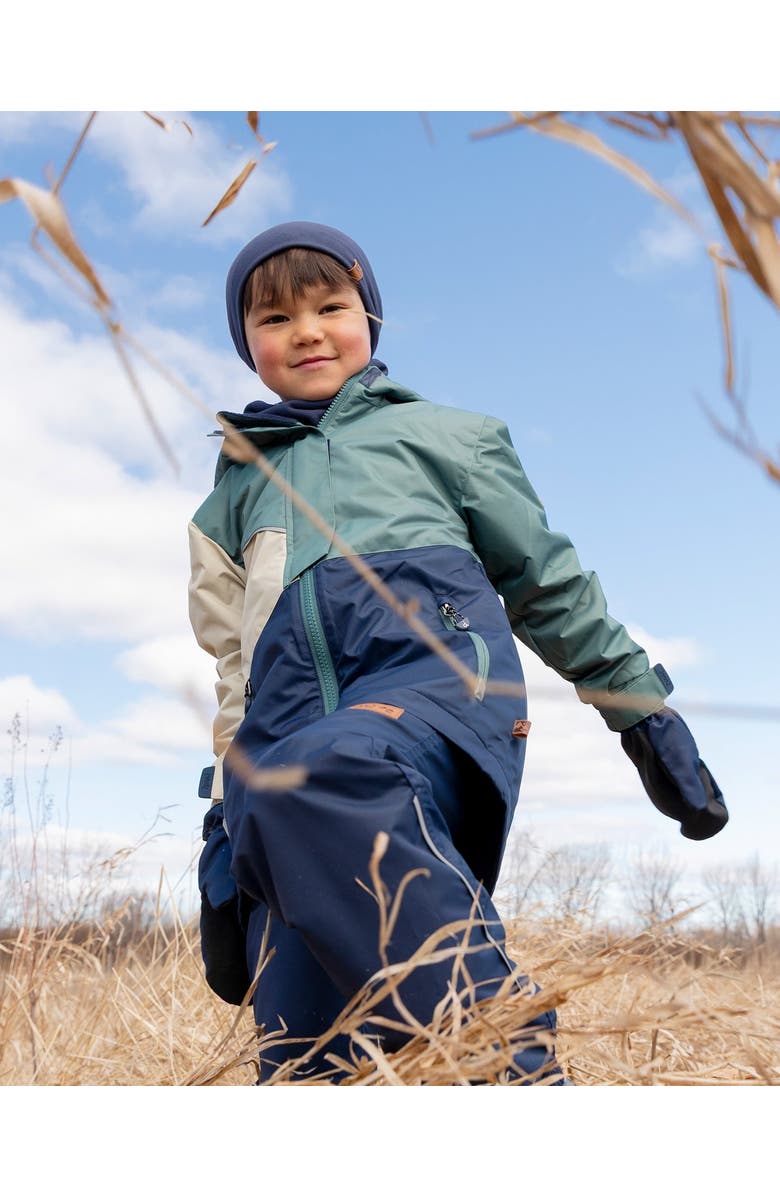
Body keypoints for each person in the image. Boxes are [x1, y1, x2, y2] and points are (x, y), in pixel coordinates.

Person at [189, 221, 728, 1085]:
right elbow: (232, 669)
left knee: (333, 772)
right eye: (276, 319)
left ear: (370, 319)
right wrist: (224, 816)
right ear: (246, 344)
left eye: (332, 306)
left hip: (433, 694)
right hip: (287, 756)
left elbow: (547, 583)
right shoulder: (230, 497)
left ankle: (505, 1057)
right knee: (306, 1051)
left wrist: (639, 710)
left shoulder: (447, 437)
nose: (308, 332)